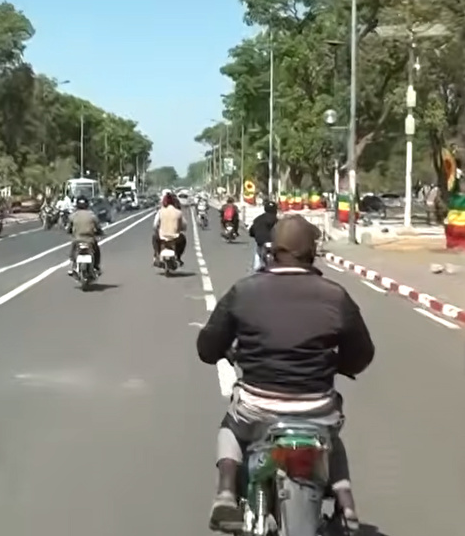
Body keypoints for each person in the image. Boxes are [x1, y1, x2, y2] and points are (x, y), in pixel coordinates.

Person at [196, 216, 374, 533]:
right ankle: (346, 506)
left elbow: (207, 347)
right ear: (312, 253)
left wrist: (225, 352)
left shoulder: (244, 291)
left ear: (270, 252)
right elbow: (362, 355)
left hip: (256, 409)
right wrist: (339, 363)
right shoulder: (335, 295)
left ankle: (225, 492)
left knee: (230, 427)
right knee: (332, 436)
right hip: (317, 409)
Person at [67, 195, 102, 274]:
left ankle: (72, 266)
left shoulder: (73, 215)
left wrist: (70, 232)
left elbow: (69, 228)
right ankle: (96, 266)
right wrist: (100, 232)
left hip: (78, 239)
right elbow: (98, 227)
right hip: (90, 240)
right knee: (96, 251)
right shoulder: (92, 215)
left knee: (73, 251)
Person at [152, 192, 187, 265]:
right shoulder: (178, 212)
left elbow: (155, 225)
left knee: (154, 237)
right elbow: (184, 226)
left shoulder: (160, 211)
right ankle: (178, 257)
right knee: (183, 239)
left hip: (162, 237)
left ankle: (156, 255)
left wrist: (158, 229)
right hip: (175, 238)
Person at [248, 200, 279, 271]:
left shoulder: (258, 219)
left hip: (261, 242)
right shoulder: (278, 221)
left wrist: (253, 234)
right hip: (274, 243)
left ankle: (256, 268)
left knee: (257, 255)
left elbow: (252, 231)